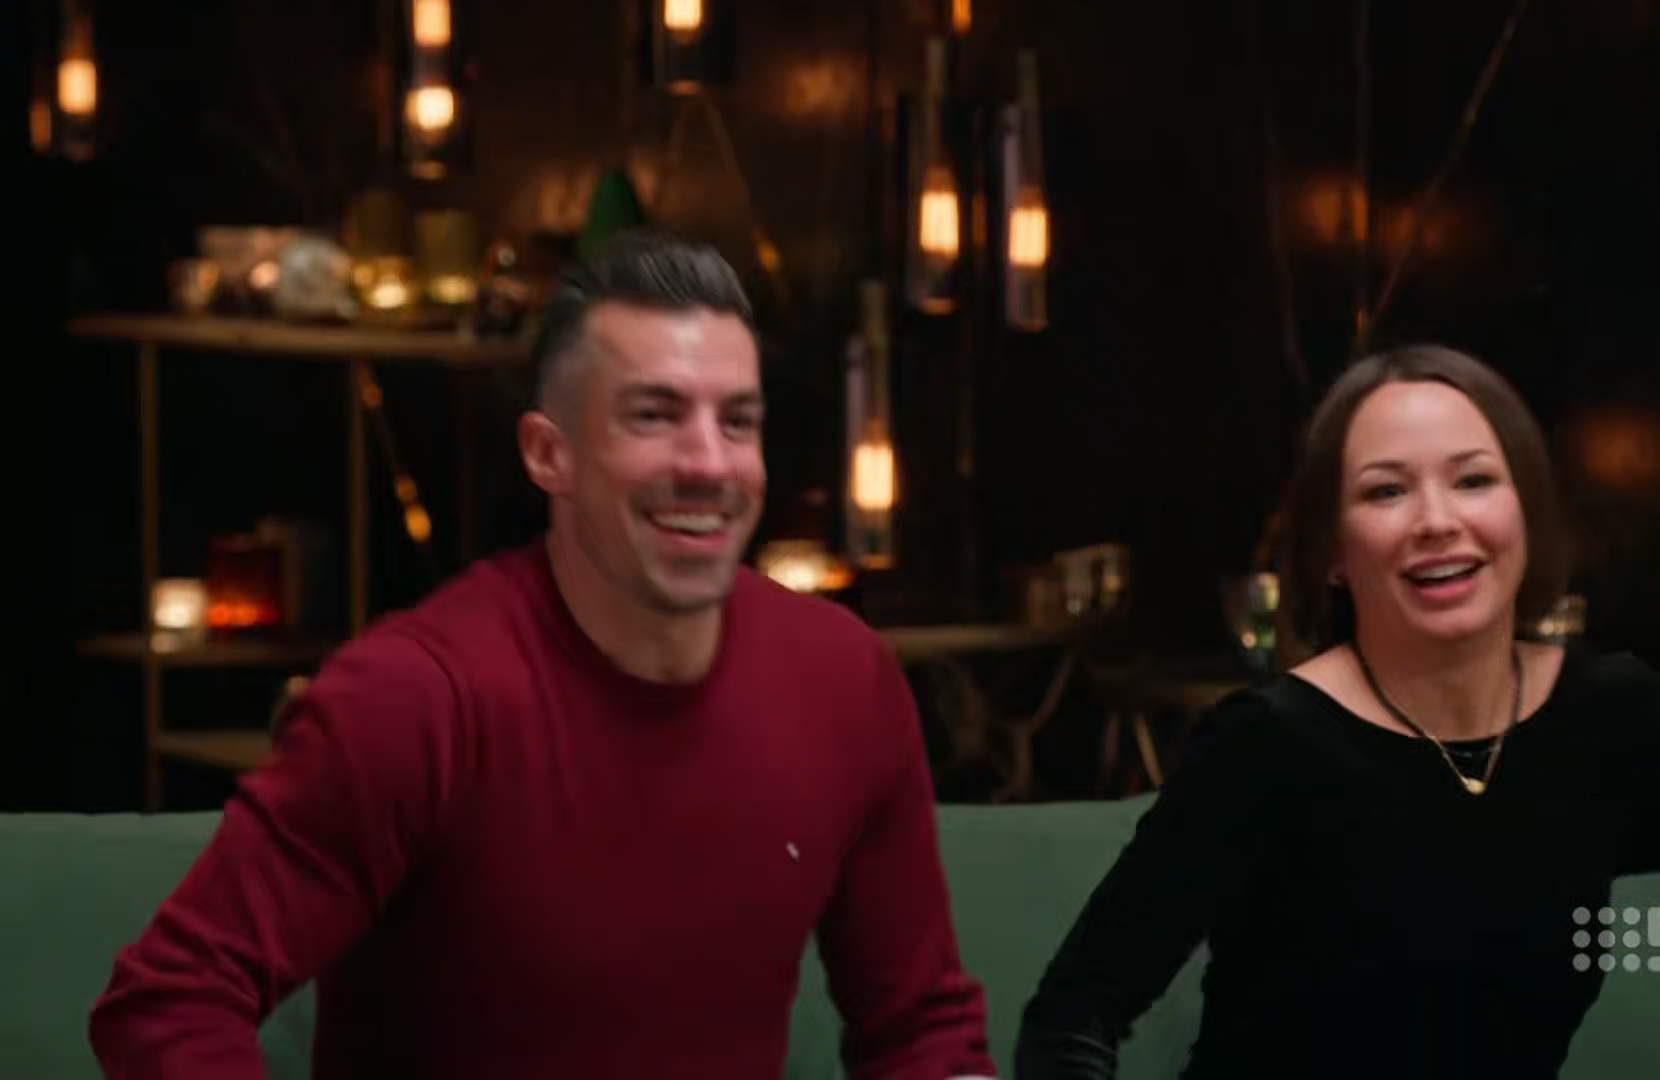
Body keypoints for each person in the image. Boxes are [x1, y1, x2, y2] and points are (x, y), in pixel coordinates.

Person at [90, 229, 997, 1080]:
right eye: (654, 416)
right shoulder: (414, 698)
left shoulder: (844, 680)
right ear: (548, 454)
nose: (709, 465)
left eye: (737, 422)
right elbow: (169, 999)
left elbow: (920, 1032)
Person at [1015, 345, 1660, 1078]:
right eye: (1385, 492)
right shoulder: (1268, 745)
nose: (1437, 520)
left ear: (1527, 514)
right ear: (1331, 551)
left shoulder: (1620, 722)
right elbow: (1072, 1016)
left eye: (1473, 480)